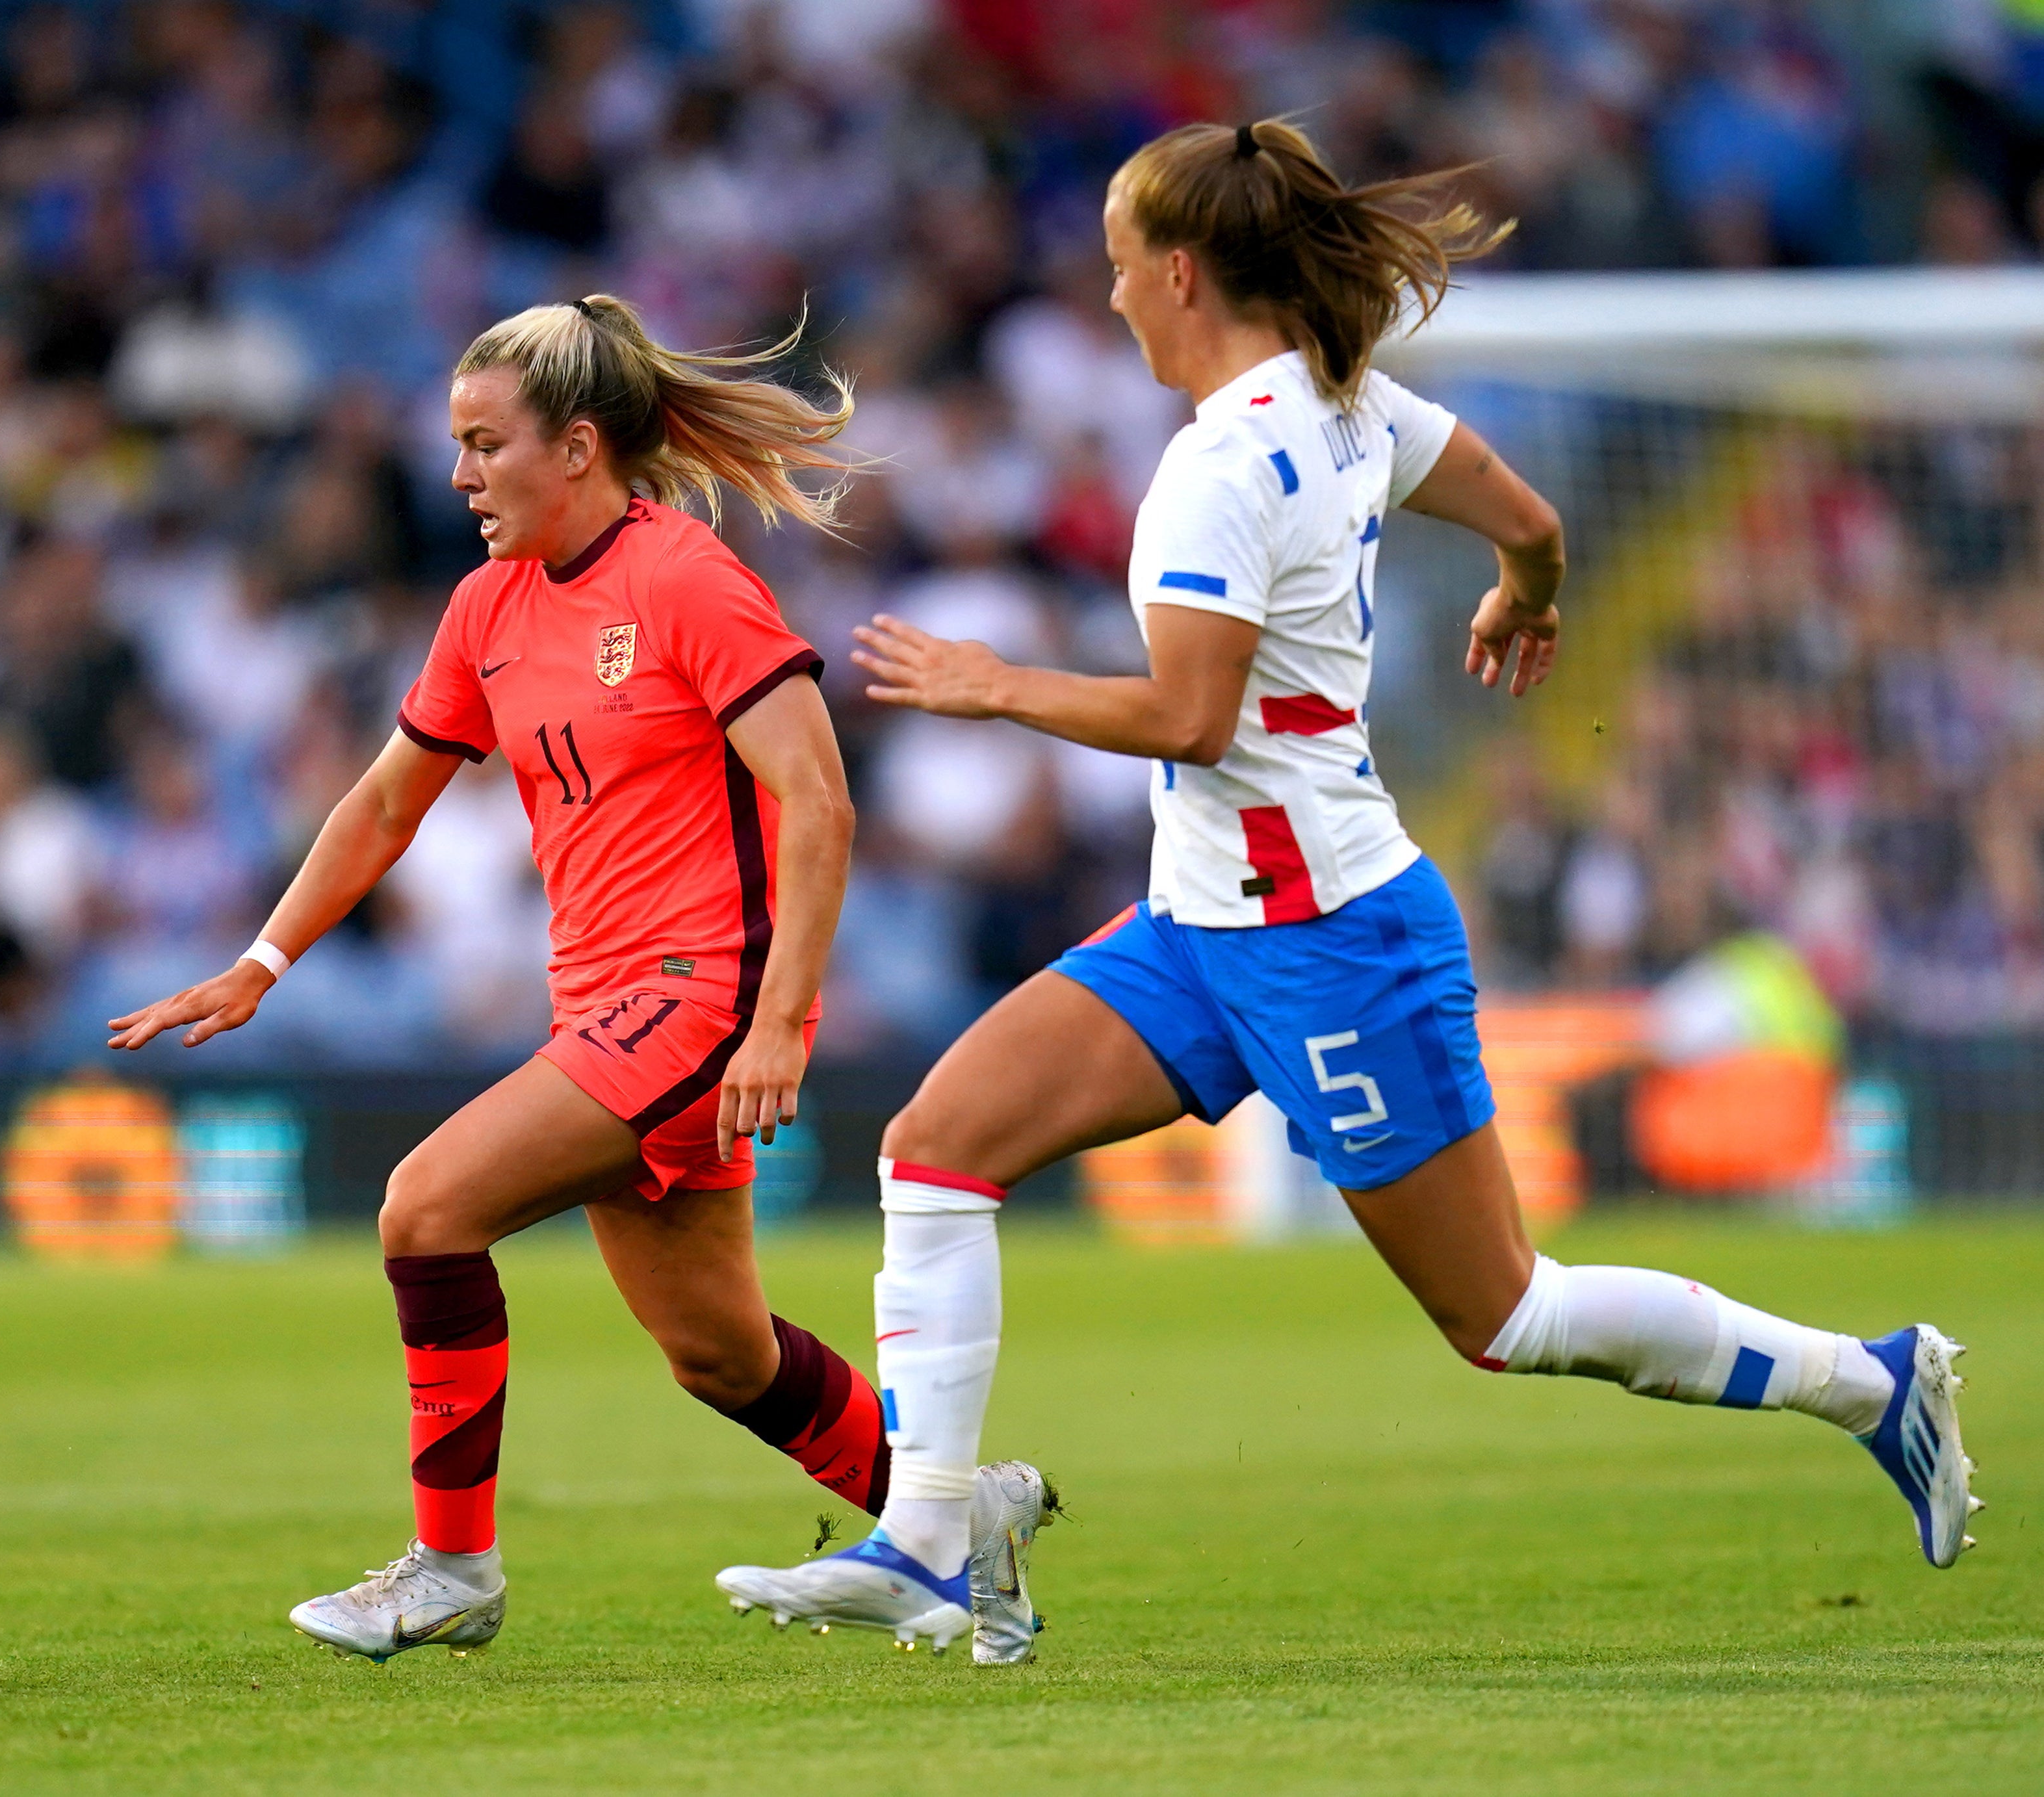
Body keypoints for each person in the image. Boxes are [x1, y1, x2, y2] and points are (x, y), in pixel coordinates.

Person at [713, 120, 1978, 1651]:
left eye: (1120, 271)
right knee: (935, 1150)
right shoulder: (1351, 403)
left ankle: (1875, 1380)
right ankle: (929, 1535)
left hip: (1331, 940)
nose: (1110, 302)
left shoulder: (1221, 466)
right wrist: (1531, 594)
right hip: (1200, 924)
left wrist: (997, 685)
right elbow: (1532, 515)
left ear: (1179, 272)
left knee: (1505, 1316)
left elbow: (1189, 714)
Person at [105, 296, 1055, 1664]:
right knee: (720, 1355)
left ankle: (452, 1567)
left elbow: (818, 798)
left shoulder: (686, 580)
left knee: (426, 1209)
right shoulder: (484, 608)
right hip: (606, 1006)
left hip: (696, 1000)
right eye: (455, 446)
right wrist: (262, 962)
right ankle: (960, 1523)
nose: (459, 476)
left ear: (579, 446)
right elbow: (385, 803)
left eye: (486, 444)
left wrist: (781, 1017)